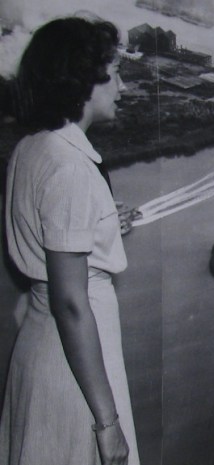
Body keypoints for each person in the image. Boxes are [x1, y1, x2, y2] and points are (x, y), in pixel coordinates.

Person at [0, 16, 139, 465]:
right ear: (83, 82)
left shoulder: (32, 148)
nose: (122, 87)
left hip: (45, 346)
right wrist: (107, 423)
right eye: (114, 74)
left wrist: (102, 224)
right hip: (76, 361)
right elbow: (72, 303)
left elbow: (47, 238)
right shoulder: (71, 168)